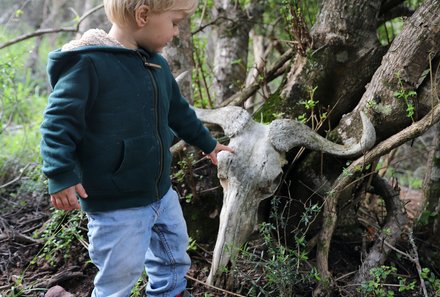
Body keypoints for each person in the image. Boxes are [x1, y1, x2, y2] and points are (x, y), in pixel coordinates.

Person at [40, 0, 233, 296]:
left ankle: (170, 292)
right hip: (115, 204)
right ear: (143, 15)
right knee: (120, 270)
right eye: (174, 21)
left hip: (160, 192)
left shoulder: (156, 64)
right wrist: (60, 173)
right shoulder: (89, 63)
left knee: (174, 253)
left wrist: (209, 145)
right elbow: (57, 123)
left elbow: (178, 112)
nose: (177, 32)